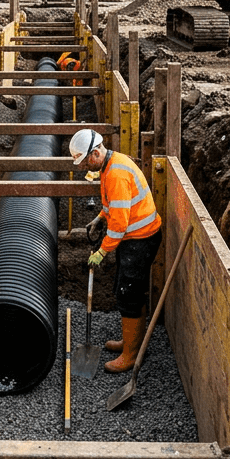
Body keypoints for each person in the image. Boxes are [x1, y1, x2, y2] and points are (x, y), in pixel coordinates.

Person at [71, 129, 161, 374]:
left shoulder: (116, 174)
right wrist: (100, 217)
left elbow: (120, 226)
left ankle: (130, 355)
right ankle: (132, 341)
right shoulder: (110, 165)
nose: (84, 167)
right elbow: (115, 204)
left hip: (139, 239)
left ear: (96, 153)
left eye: (85, 161)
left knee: (128, 293)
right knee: (128, 290)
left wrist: (101, 252)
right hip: (134, 237)